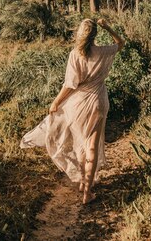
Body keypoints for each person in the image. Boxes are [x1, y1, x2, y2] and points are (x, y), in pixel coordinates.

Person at [20, 17, 125, 204]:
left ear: (80, 33)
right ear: (95, 35)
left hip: (78, 104)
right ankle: (87, 191)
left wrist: (56, 102)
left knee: (81, 143)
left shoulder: (75, 54)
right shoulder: (102, 52)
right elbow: (121, 43)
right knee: (92, 143)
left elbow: (69, 85)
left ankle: (84, 182)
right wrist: (107, 26)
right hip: (99, 101)